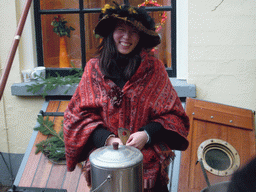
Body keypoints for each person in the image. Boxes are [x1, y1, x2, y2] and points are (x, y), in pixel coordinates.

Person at [63, 2, 190, 192]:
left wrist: (146, 134)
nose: (126, 37)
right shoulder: (93, 69)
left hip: (149, 170)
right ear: (110, 33)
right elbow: (76, 116)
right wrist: (106, 139)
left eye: (134, 32)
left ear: (141, 37)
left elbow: (175, 116)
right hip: (107, 167)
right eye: (121, 30)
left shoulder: (155, 70)